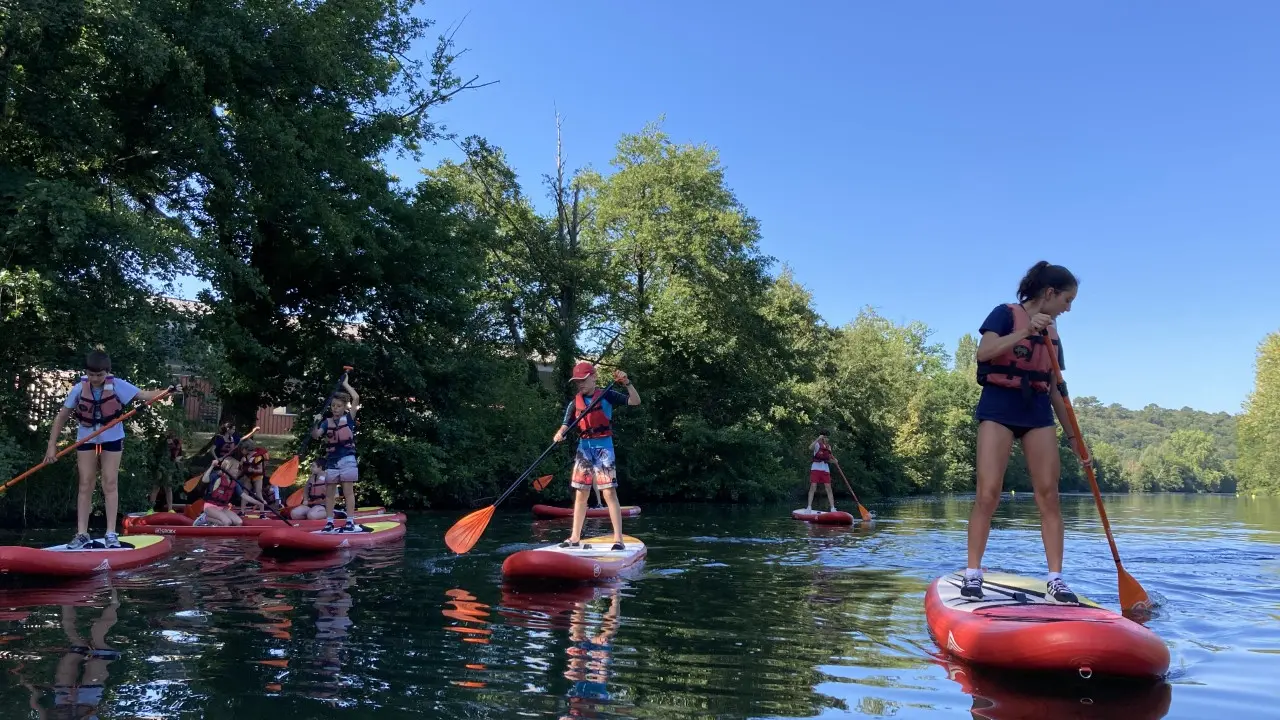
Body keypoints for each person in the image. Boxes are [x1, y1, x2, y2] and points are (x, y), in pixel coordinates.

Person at [965, 261, 1086, 604]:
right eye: (1067, 299)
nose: (1068, 307)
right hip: (999, 408)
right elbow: (984, 352)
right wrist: (1026, 332)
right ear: (1050, 293)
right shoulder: (1004, 314)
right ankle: (973, 574)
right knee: (988, 492)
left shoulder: (1055, 335)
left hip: (1036, 412)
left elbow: (1056, 389)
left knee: (1049, 495)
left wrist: (1075, 439)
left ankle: (1056, 579)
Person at [43, 350, 174, 549]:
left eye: (100, 375)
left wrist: (168, 391)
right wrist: (51, 446)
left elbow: (144, 395)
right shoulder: (79, 388)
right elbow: (61, 417)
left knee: (110, 482)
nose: (95, 379)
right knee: (85, 483)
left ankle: (111, 532)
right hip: (86, 437)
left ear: (107, 373)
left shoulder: (118, 385)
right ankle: (81, 533)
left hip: (112, 437)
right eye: (92, 375)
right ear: (86, 372)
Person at [553, 361, 641, 551]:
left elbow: (635, 401)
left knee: (608, 492)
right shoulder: (574, 403)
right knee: (581, 493)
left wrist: (627, 383)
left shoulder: (607, 394)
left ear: (594, 377)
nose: (580, 384)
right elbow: (566, 424)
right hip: (584, 449)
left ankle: (619, 539)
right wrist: (559, 433)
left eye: (583, 380)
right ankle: (575, 537)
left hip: (603, 449)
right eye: (577, 382)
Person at [312, 377, 360, 532]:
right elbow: (315, 435)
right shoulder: (326, 423)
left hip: (347, 459)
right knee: (330, 494)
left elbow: (356, 398)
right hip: (332, 461)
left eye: (338, 406)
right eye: (333, 406)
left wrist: (346, 384)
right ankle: (329, 522)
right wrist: (315, 422)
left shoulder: (349, 418)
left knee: (348, 492)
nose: (335, 408)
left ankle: (350, 521)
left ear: (344, 407)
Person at [196, 446, 270, 526]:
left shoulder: (234, 482)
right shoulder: (217, 476)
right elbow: (204, 480)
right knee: (227, 522)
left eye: (237, 469)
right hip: (210, 506)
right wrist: (212, 466)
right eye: (235, 469)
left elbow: (244, 496)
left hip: (222, 507)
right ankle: (205, 518)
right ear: (228, 468)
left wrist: (259, 502)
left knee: (239, 522)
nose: (237, 471)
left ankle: (216, 524)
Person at [148, 429, 183, 512]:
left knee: (168, 488)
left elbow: (177, 455)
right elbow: (156, 453)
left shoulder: (177, 442)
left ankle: (170, 509)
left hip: (169, 467)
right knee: (156, 487)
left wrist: (177, 459)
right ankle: (150, 508)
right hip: (159, 467)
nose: (173, 434)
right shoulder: (162, 441)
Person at [806, 431, 838, 512]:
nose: (826, 439)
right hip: (816, 468)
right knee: (813, 487)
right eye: (825, 437)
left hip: (825, 469)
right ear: (822, 437)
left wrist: (834, 461)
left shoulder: (828, 447)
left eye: (827, 437)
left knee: (829, 488)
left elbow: (829, 458)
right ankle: (809, 507)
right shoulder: (817, 444)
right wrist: (818, 439)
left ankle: (832, 508)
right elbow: (810, 447)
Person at [241, 440, 270, 514]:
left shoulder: (257, 457)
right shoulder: (245, 457)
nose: (241, 450)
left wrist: (253, 470)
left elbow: (261, 470)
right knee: (244, 492)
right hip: (248, 476)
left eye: (242, 449)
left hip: (257, 476)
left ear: (247, 449)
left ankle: (262, 512)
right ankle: (242, 511)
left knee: (258, 492)